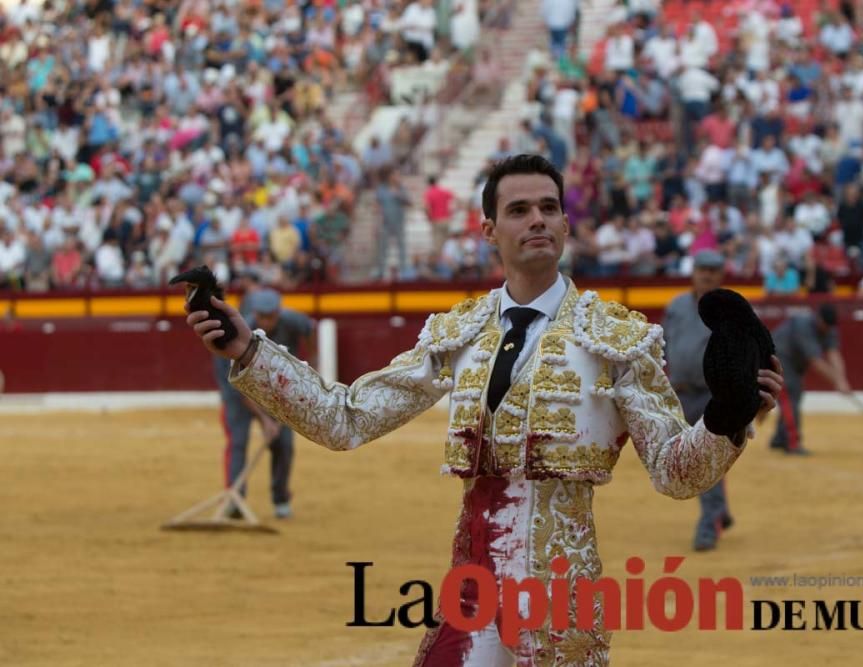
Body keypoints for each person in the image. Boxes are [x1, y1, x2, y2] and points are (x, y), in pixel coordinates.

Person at [185, 155, 783, 665]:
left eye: (549, 208)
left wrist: (727, 418)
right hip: (469, 594)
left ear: (567, 224)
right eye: (520, 210)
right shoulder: (460, 331)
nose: (538, 220)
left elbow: (676, 472)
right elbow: (346, 419)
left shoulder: (616, 339)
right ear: (488, 229)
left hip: (560, 599)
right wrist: (248, 350)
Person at [217, 288, 315, 519]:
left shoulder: (292, 320)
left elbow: (310, 330)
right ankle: (235, 499)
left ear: (278, 313)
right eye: (261, 316)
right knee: (238, 442)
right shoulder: (236, 335)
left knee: (284, 445)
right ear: (254, 314)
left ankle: (281, 498)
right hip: (239, 394)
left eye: (271, 316)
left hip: (276, 393)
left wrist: (311, 365)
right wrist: (264, 419)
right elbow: (239, 386)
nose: (266, 321)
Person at [662, 249, 733, 551]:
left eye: (712, 271)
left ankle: (709, 524)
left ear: (721, 276)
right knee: (699, 461)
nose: (706, 275)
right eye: (702, 269)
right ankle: (720, 511)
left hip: (712, 396)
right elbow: (662, 344)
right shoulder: (677, 306)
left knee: (702, 459)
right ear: (693, 273)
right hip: (679, 393)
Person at [769, 303, 851, 455]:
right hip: (778, 360)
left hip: (794, 364)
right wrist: (837, 381)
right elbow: (816, 362)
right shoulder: (803, 326)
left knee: (794, 397)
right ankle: (791, 443)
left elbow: (834, 354)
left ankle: (780, 439)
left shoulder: (829, 328)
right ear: (818, 318)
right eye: (825, 325)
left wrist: (842, 379)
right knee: (790, 397)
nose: (827, 329)